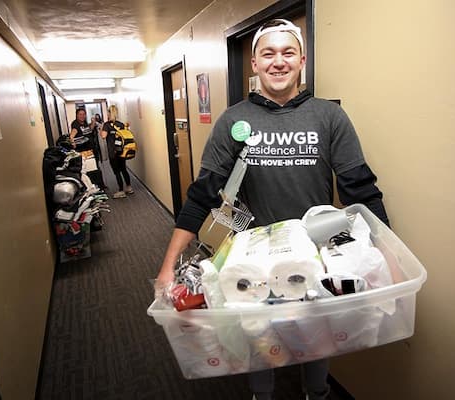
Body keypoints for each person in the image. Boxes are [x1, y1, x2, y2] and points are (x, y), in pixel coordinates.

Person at [155, 18, 390, 400]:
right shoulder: (233, 120)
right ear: (254, 63)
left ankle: (317, 392)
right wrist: (168, 267)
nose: (278, 62)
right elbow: (202, 196)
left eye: (287, 53)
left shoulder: (329, 118)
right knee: (258, 336)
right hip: (252, 254)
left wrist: (385, 254)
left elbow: (360, 189)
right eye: (268, 53)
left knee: (316, 334)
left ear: (301, 61)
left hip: (315, 253)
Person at [100, 105, 133, 198]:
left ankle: (121, 190)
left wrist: (102, 127)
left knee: (117, 171)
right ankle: (129, 187)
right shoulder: (121, 124)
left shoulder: (107, 125)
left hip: (113, 153)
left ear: (109, 113)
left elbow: (103, 136)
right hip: (122, 151)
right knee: (123, 169)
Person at [70, 108, 106, 188]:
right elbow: (72, 135)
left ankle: (100, 185)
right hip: (83, 152)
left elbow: (89, 130)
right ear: (76, 115)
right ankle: (93, 186)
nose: (82, 116)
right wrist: (72, 142)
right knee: (89, 169)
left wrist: (93, 123)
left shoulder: (85, 123)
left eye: (84, 114)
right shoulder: (76, 124)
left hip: (91, 150)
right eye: (80, 114)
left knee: (95, 167)